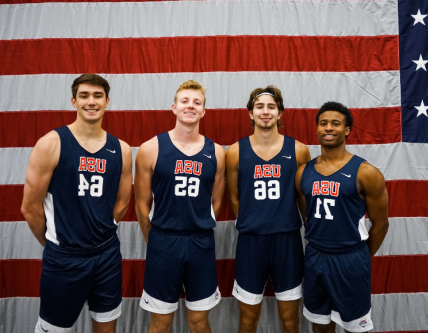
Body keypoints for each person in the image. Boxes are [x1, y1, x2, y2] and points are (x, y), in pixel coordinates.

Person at [21, 74, 133, 333]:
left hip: (106, 255)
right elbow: (29, 207)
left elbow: (123, 202)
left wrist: (102, 228)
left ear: (108, 102)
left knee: (106, 328)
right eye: (84, 96)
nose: (91, 101)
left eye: (97, 96)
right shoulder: (51, 143)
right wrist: (55, 242)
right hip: (64, 257)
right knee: (54, 329)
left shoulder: (122, 149)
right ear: (74, 101)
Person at [135, 80, 226, 333]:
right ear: (174, 107)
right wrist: (154, 239)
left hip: (200, 242)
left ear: (204, 111)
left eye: (197, 102)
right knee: (161, 322)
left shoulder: (217, 152)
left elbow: (216, 202)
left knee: (199, 322)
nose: (191, 106)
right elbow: (141, 205)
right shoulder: (150, 148)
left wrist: (197, 223)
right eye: (185, 101)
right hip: (164, 242)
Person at [295, 101, 389, 333]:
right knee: (320, 326)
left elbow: (381, 224)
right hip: (315, 256)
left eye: (336, 124)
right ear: (317, 128)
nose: (329, 128)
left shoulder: (366, 172)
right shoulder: (302, 172)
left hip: (350, 258)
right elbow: (308, 216)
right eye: (323, 123)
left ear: (346, 130)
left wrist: (361, 257)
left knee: (356, 328)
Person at [225, 86, 311, 333]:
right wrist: (256, 220)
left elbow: (303, 199)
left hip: (287, 242)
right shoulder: (235, 152)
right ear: (250, 113)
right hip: (251, 242)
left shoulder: (299, 150)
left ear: (280, 113)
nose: (265, 111)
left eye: (271, 107)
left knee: (290, 321)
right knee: (247, 321)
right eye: (260, 106)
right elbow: (234, 197)